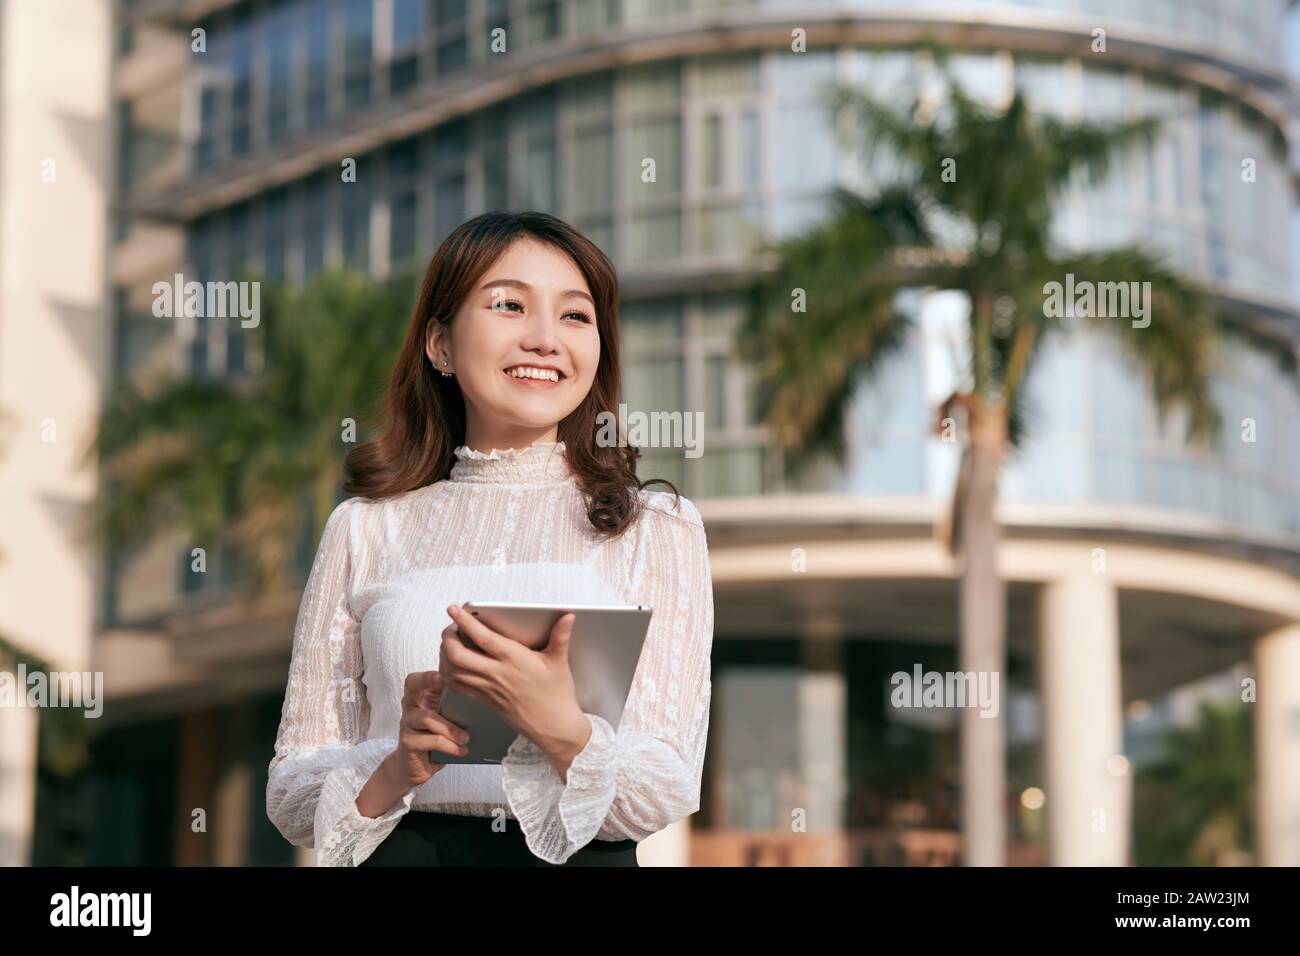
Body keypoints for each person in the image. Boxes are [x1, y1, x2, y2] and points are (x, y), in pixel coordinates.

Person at [265, 211, 715, 867]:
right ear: (440, 343)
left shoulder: (659, 530)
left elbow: (665, 781)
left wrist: (557, 727)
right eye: (509, 305)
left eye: (574, 316)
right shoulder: (366, 528)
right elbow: (294, 792)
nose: (543, 339)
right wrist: (398, 763)